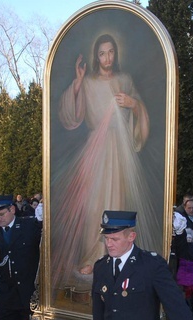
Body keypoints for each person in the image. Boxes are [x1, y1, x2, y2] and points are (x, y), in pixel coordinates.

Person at [51, 34, 159, 294]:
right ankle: (91, 257)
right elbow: (71, 117)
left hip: (119, 151)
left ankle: (116, 256)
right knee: (92, 206)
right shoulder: (87, 83)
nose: (107, 58)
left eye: (111, 52)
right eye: (102, 53)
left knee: (116, 202)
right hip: (94, 150)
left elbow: (140, 111)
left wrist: (133, 104)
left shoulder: (124, 80)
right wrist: (77, 83)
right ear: (95, 56)